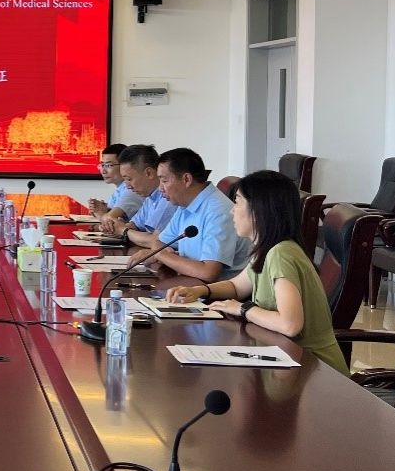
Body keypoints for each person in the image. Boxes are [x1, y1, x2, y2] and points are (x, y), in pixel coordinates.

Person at [167, 170, 348, 375]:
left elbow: (290, 325)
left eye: (237, 202)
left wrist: (243, 309)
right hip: (286, 361)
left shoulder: (281, 253)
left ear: (259, 210)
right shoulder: (266, 249)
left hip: (315, 371)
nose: (232, 211)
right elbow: (237, 286)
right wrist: (199, 291)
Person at [129, 147, 247, 282]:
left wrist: (161, 254)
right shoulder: (185, 205)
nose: (160, 188)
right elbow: (158, 242)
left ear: (186, 179)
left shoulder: (218, 211)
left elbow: (208, 272)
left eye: (164, 181)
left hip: (219, 291)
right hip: (191, 283)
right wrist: (162, 252)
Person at [101, 144, 177, 243]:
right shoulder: (150, 197)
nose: (127, 186)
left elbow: (156, 241)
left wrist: (123, 230)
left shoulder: (167, 197)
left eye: (129, 179)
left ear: (149, 173)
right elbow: (133, 226)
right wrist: (114, 227)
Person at [86, 143, 143, 224]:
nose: (103, 171)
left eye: (109, 165)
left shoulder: (132, 189)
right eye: (102, 165)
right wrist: (103, 209)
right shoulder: (119, 189)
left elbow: (109, 220)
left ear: (124, 165)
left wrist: (97, 212)